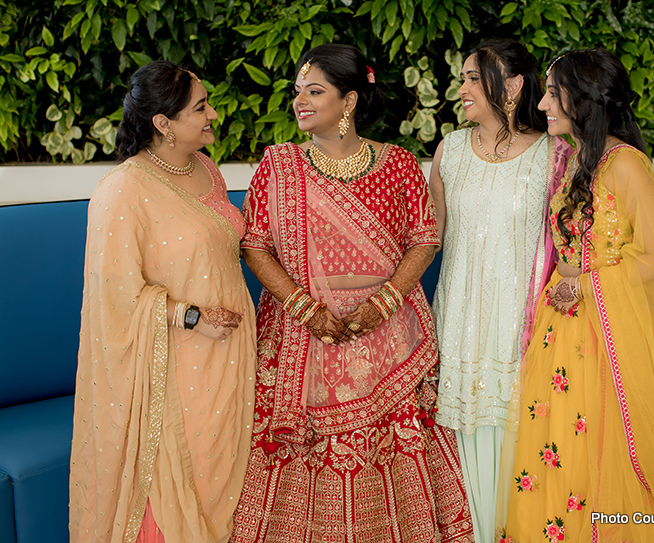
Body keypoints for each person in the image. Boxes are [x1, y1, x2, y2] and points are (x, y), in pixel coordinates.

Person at [229, 43, 474, 543]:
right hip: (302, 341)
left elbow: (425, 238)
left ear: (350, 101)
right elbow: (254, 246)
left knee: (394, 451)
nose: (300, 101)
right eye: (298, 91)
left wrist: (384, 303)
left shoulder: (399, 164)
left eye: (315, 91)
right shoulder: (277, 166)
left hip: (388, 342)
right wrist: (303, 308)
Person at [500, 48, 654, 543]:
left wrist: (585, 284)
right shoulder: (579, 161)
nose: (544, 104)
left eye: (554, 94)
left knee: (596, 459)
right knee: (555, 455)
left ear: (586, 98)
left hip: (605, 337)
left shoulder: (626, 165)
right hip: (563, 332)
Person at [69, 61, 257, 543]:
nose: (213, 113)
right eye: (200, 107)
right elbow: (115, 300)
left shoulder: (206, 168)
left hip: (230, 359)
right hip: (174, 370)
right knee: (178, 494)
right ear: (163, 123)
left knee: (225, 490)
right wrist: (191, 317)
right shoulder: (122, 191)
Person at [428, 39, 572, 543]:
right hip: (457, 322)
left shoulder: (555, 155)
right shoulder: (447, 151)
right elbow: (431, 240)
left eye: (472, 78)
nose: (461, 88)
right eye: (463, 77)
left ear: (511, 87)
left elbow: (573, 243)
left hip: (521, 328)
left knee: (520, 442)